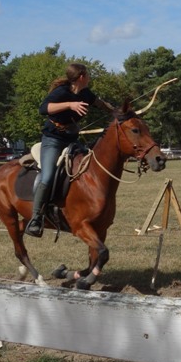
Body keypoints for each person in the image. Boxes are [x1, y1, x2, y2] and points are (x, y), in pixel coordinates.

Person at [26, 63, 115, 238]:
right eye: (88, 74)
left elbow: (100, 103)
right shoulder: (61, 92)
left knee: (90, 167)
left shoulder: (85, 93)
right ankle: (36, 219)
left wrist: (118, 112)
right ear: (81, 76)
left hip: (72, 140)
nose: (89, 77)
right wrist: (70, 105)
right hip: (53, 140)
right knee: (48, 176)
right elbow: (44, 109)